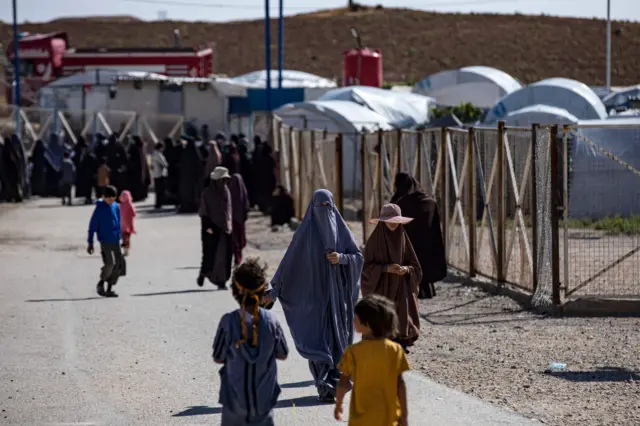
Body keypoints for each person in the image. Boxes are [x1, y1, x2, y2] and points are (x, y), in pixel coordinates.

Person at [264, 189, 363, 402]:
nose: (324, 212)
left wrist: (342, 258)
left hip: (338, 301)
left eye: (328, 207)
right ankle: (324, 385)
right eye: (320, 207)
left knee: (338, 341)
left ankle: (335, 384)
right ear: (312, 209)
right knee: (319, 341)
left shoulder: (343, 231)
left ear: (334, 207)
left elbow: (358, 257)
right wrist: (274, 291)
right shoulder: (304, 234)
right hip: (313, 301)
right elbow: (288, 266)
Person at [213, 258, 289, 426]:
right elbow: (282, 353)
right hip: (264, 400)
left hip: (234, 401)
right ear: (263, 292)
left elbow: (218, 357)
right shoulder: (272, 321)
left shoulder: (227, 322)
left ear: (235, 291)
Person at [335, 295, 410, 426]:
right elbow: (400, 384)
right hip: (389, 416)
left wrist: (339, 404)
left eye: (356, 319)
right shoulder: (395, 350)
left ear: (367, 324)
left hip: (361, 419)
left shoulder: (352, 351)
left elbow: (343, 383)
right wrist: (404, 415)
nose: (353, 321)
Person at [362, 203, 422, 352]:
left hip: (402, 290)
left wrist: (406, 270)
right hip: (382, 290)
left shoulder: (403, 239)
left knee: (402, 323)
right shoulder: (374, 242)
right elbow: (365, 268)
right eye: (390, 220)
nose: (394, 224)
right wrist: (384, 268)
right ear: (383, 221)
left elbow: (416, 267)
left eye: (396, 221)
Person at [391, 173, 446, 299]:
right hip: (426, 246)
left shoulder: (398, 203)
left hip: (406, 247)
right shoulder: (429, 202)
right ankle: (426, 290)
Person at [87, 185, 126, 298]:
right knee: (109, 263)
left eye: (113, 199)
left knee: (118, 265)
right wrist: (90, 242)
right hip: (105, 241)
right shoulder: (99, 209)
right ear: (103, 197)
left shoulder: (116, 207)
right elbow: (92, 226)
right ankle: (101, 282)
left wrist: (123, 238)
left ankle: (109, 288)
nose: (111, 201)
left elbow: (118, 223)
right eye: (109, 199)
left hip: (115, 240)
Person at [198, 167, 233, 290]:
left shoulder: (226, 191)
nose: (224, 183)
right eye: (222, 180)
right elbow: (203, 212)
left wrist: (228, 225)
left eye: (225, 180)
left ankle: (222, 280)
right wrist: (208, 226)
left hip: (225, 229)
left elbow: (228, 210)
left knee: (224, 256)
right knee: (213, 255)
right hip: (212, 229)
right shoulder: (207, 193)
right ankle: (210, 275)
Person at [178, 137, 204, 213]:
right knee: (193, 193)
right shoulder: (196, 153)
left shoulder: (185, 152)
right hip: (194, 178)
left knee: (187, 193)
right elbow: (199, 165)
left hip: (186, 178)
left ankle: (186, 207)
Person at [229, 173, 250, 266]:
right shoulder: (243, 193)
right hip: (240, 220)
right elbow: (246, 206)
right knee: (239, 240)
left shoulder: (229, 192)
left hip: (233, 220)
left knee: (235, 240)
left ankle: (237, 258)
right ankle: (238, 258)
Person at [127, 136, 150, 202]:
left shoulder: (134, 148)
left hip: (135, 170)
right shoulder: (141, 148)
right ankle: (141, 196)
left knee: (136, 184)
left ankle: (137, 196)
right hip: (141, 169)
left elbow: (131, 157)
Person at [151, 141, 169, 209]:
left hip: (155, 174)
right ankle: (159, 203)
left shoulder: (153, 153)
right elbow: (164, 163)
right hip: (160, 174)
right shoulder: (158, 154)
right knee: (160, 190)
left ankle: (157, 203)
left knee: (157, 190)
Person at [119, 190, 136, 256]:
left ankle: (125, 248)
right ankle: (127, 248)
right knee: (127, 237)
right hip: (128, 224)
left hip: (122, 225)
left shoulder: (121, 205)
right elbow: (133, 212)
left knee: (124, 237)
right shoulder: (129, 204)